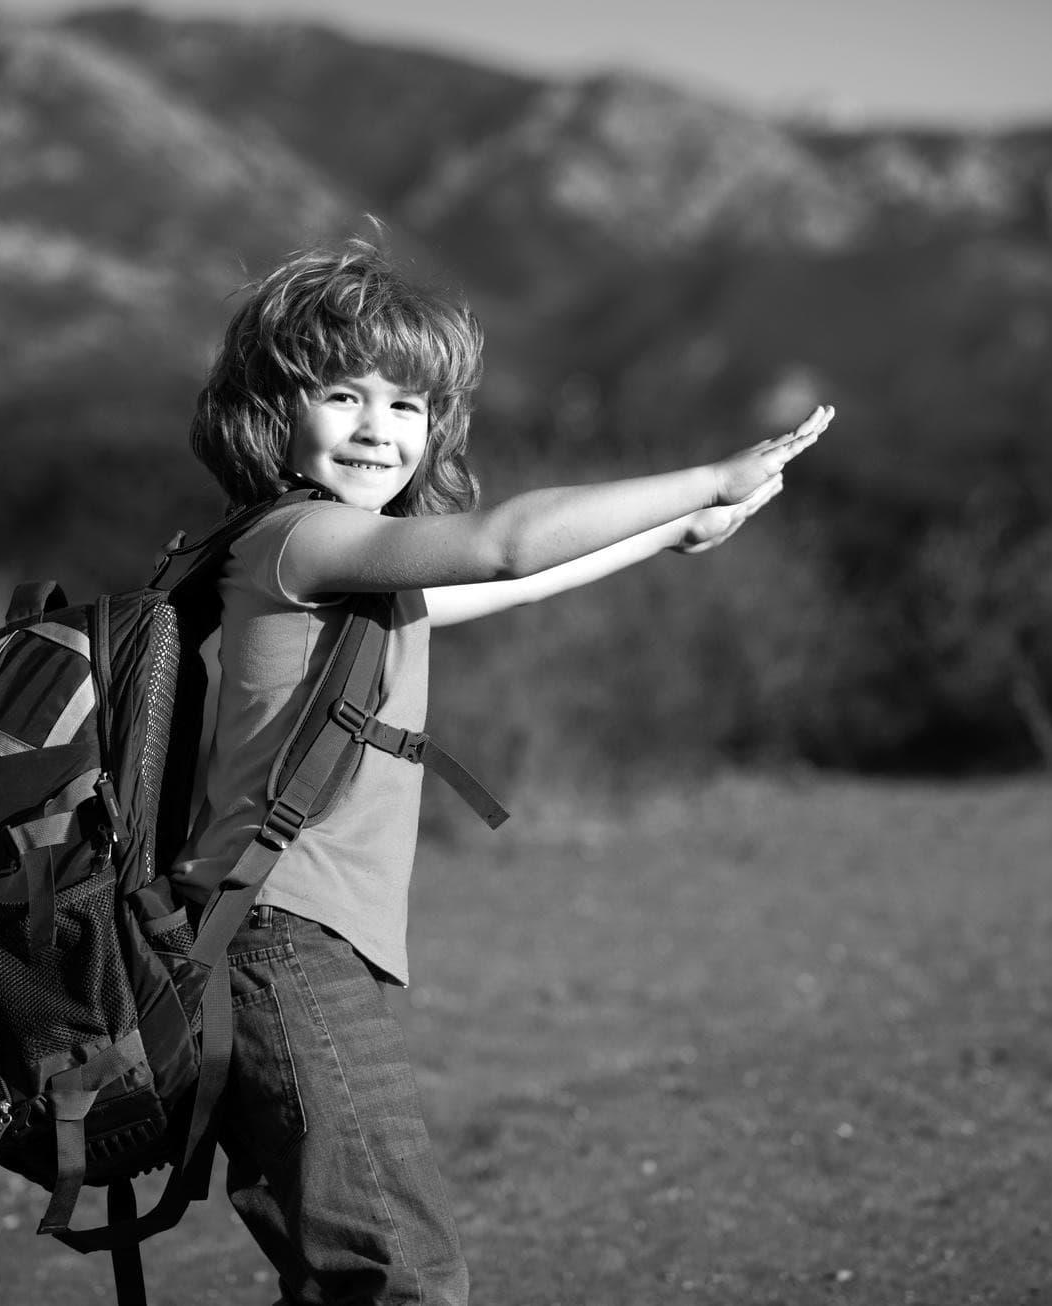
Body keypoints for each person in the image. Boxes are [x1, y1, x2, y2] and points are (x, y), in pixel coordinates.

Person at [170, 238, 830, 1305]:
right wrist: (710, 473)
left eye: (408, 404)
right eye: (343, 395)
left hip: (295, 939)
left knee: (351, 1268)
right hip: (279, 938)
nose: (381, 427)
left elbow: (508, 586)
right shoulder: (302, 540)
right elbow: (505, 545)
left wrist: (671, 534)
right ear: (269, 412)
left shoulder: (350, 567)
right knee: (402, 1273)